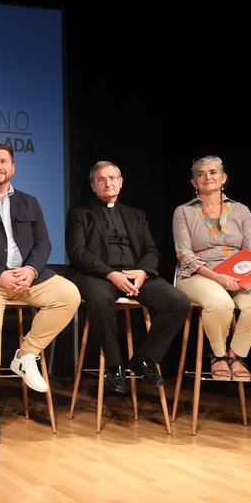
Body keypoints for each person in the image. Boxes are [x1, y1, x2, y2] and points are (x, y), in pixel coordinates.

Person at [0, 143, 80, 445]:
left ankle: (27, 354)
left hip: (26, 278)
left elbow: (43, 243)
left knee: (69, 295)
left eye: (4, 161)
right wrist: (0, 274)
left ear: (13, 168)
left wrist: (32, 270)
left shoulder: (29, 202)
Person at [66, 161, 189, 393]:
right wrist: (111, 274)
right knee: (101, 302)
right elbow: (77, 252)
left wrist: (142, 272)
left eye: (112, 178)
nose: (108, 183)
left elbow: (151, 250)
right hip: (98, 276)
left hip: (135, 275)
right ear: (93, 186)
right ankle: (115, 365)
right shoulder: (79, 214)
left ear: (121, 182)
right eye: (101, 179)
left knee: (178, 302)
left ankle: (144, 358)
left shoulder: (136, 215)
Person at [171, 155, 251, 381]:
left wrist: (243, 273)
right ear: (194, 182)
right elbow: (184, 254)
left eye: (213, 172)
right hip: (199, 272)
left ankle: (235, 355)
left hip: (238, 272)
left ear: (223, 178)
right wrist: (217, 277)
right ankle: (217, 355)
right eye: (201, 174)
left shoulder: (241, 210)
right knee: (220, 304)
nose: (208, 177)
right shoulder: (183, 211)